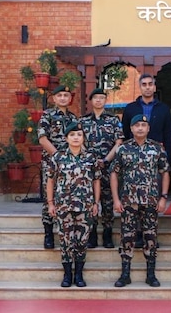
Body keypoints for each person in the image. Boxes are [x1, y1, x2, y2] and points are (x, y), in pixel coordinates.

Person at [110, 114, 170, 288]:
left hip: (150, 201)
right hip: (128, 201)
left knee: (150, 237)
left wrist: (164, 197)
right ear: (131, 128)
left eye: (144, 125)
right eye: (137, 125)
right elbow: (114, 173)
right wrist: (115, 199)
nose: (140, 128)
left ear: (148, 128)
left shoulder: (157, 148)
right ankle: (125, 274)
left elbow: (165, 172)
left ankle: (151, 274)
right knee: (127, 237)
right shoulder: (123, 149)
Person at [121, 73, 171, 248]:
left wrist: (168, 158)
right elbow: (126, 134)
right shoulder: (130, 108)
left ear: (154, 86)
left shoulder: (164, 108)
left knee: (152, 199)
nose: (148, 87)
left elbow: (168, 133)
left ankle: (150, 235)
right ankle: (135, 233)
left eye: (151, 84)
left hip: (155, 158)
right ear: (140, 87)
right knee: (133, 200)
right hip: (133, 159)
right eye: (144, 84)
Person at [46, 121, 100, 288]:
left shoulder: (91, 157)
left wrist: (96, 203)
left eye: (79, 135)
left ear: (83, 138)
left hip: (85, 206)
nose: (76, 138)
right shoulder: (58, 157)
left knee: (82, 241)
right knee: (66, 241)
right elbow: (50, 180)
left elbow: (96, 181)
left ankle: (79, 275)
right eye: (72, 135)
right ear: (66, 138)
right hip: (64, 206)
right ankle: (67, 275)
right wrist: (50, 203)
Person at [80, 88, 125, 249]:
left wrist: (106, 160)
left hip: (108, 166)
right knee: (90, 199)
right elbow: (79, 142)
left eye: (102, 98)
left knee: (107, 201)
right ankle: (91, 233)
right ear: (91, 101)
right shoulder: (83, 121)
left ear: (105, 101)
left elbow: (118, 142)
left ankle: (107, 233)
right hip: (88, 167)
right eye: (96, 98)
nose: (99, 100)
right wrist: (91, 159)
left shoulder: (113, 120)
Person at [38, 85, 78, 249]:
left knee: (70, 196)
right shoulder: (47, 115)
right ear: (54, 98)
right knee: (50, 198)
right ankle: (48, 233)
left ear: (70, 99)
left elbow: (79, 140)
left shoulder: (74, 119)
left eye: (66, 95)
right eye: (59, 95)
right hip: (51, 163)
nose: (63, 98)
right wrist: (58, 156)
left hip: (71, 165)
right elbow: (42, 139)